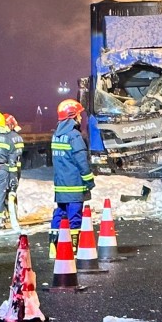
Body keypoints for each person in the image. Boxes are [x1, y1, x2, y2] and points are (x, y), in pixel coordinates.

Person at [50, 99, 94, 258]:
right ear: (72, 116)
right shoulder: (74, 136)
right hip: (74, 185)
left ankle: (53, 247)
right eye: (79, 115)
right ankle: (72, 248)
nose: (81, 118)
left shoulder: (57, 135)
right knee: (75, 217)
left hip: (60, 185)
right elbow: (81, 161)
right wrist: (89, 180)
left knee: (60, 214)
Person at [4, 113, 24, 219]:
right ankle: (13, 214)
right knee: (12, 191)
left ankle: (7, 214)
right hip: (16, 169)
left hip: (6, 168)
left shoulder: (3, 137)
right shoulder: (17, 137)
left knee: (3, 192)